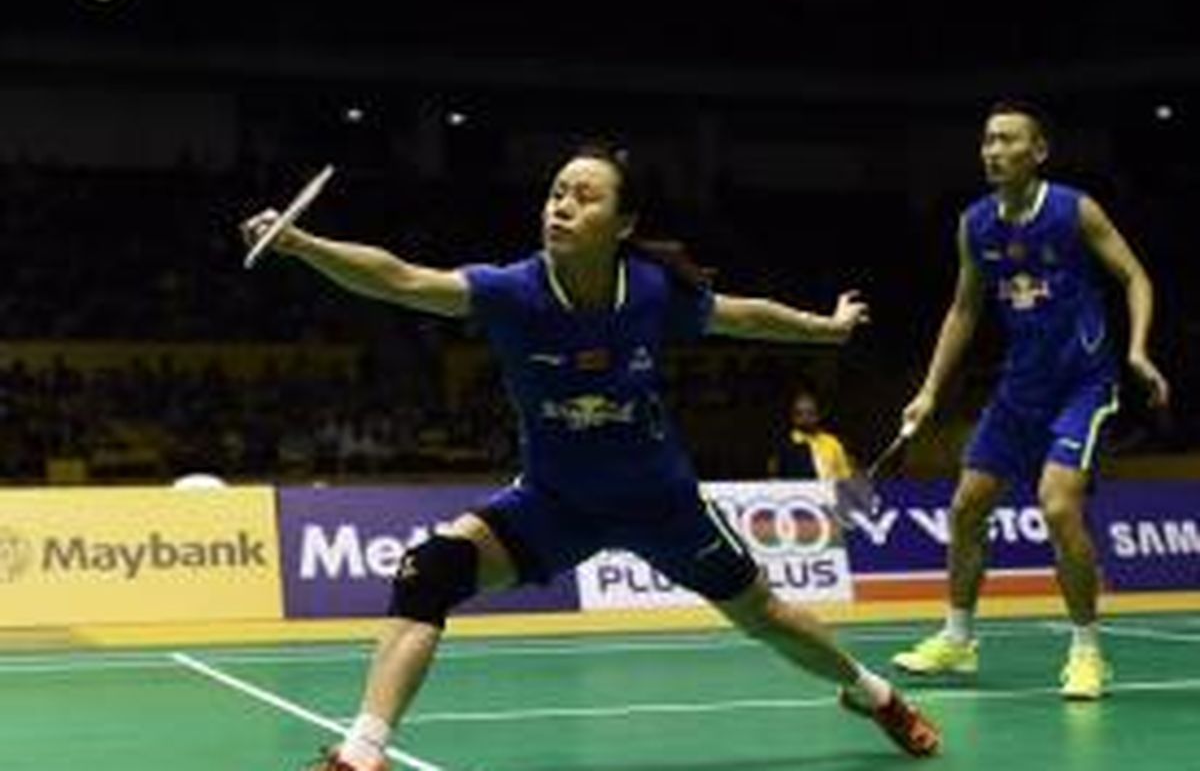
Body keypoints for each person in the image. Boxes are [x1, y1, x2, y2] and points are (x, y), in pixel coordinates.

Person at [241, 143, 940, 770]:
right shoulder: (513, 291)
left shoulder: (653, 291)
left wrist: (829, 328)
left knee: (767, 616)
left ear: (624, 223)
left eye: (584, 196)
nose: (562, 205)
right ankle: (364, 752)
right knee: (429, 571)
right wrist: (300, 243)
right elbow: (403, 280)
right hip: (555, 505)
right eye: (556, 193)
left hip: (661, 505)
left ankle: (873, 693)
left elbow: (743, 314)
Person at [891, 103, 1170, 700]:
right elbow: (964, 309)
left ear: (1038, 150)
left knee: (1059, 506)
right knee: (967, 506)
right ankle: (958, 638)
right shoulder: (975, 224)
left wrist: (1139, 351)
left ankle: (1088, 651)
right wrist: (930, 391)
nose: (993, 150)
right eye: (987, 140)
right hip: (1020, 389)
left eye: (1007, 140)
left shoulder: (1074, 210)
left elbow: (1135, 277)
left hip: (1083, 385)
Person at [767, 385, 853, 480]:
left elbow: (844, 476)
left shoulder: (832, 443)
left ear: (818, 416)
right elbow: (775, 478)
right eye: (799, 414)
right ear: (793, 417)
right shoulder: (784, 445)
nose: (805, 418)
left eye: (810, 413)